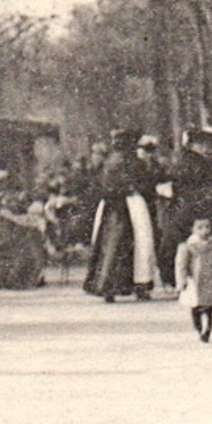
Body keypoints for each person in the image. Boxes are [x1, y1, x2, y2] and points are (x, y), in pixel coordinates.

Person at [83, 128, 158, 302]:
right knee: (140, 243)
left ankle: (107, 285)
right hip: (131, 203)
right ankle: (140, 285)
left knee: (110, 245)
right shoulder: (135, 162)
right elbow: (144, 183)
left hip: (110, 206)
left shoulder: (109, 161)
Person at [160, 127, 212, 288]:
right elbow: (208, 183)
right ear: (196, 145)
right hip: (194, 209)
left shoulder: (185, 159)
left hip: (182, 208)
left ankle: (178, 281)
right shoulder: (197, 162)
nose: (206, 148)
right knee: (191, 245)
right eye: (203, 144)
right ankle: (189, 281)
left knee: (182, 246)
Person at [175, 217, 212, 343]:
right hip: (194, 281)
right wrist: (181, 281)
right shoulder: (188, 245)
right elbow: (181, 264)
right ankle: (199, 328)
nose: (205, 231)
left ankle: (207, 330)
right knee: (195, 307)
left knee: (208, 308)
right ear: (192, 229)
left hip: (210, 281)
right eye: (200, 228)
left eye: (207, 227)